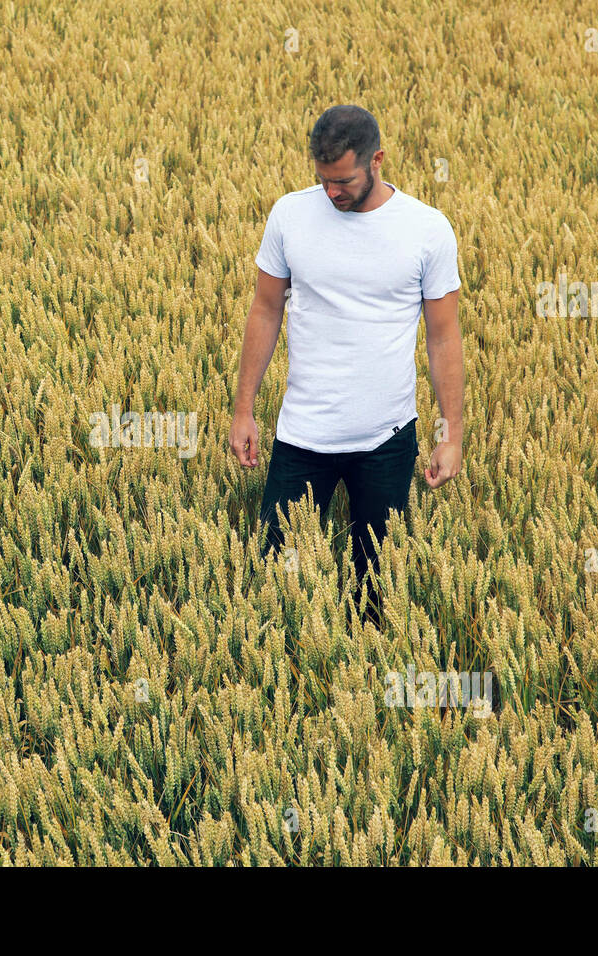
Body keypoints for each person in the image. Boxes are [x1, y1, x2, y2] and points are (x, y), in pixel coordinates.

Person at [230, 105, 464, 626]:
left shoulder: (427, 230)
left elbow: (444, 337)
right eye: (322, 180)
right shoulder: (290, 215)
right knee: (274, 586)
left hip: (386, 441)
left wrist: (452, 433)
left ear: (377, 160)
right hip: (302, 436)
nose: (331, 193)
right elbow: (266, 310)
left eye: (342, 181)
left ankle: (365, 690)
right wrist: (243, 410)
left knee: (376, 592)